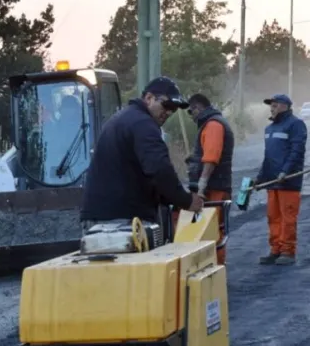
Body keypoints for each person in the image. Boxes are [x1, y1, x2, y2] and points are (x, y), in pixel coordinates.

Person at [80, 76, 204, 232]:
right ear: (149, 98)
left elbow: (148, 174)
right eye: (166, 105)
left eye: (173, 108)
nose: (168, 112)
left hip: (103, 215)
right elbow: (159, 169)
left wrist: (172, 198)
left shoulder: (126, 118)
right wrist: (186, 201)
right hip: (120, 220)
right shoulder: (143, 124)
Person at [255, 94, 308, 266]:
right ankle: (275, 249)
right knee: (273, 217)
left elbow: (297, 151)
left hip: (288, 182)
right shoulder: (269, 129)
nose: (272, 108)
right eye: (271, 105)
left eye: (275, 105)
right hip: (272, 181)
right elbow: (268, 156)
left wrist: (285, 171)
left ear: (285, 106)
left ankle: (287, 251)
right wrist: (261, 177)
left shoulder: (296, 125)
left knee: (288, 217)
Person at [184, 93, 235, 264]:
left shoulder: (213, 125)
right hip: (215, 185)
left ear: (198, 108)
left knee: (211, 229)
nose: (191, 116)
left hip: (214, 188)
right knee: (209, 228)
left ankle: (216, 267)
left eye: (190, 112)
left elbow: (211, 158)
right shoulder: (212, 123)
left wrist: (201, 185)